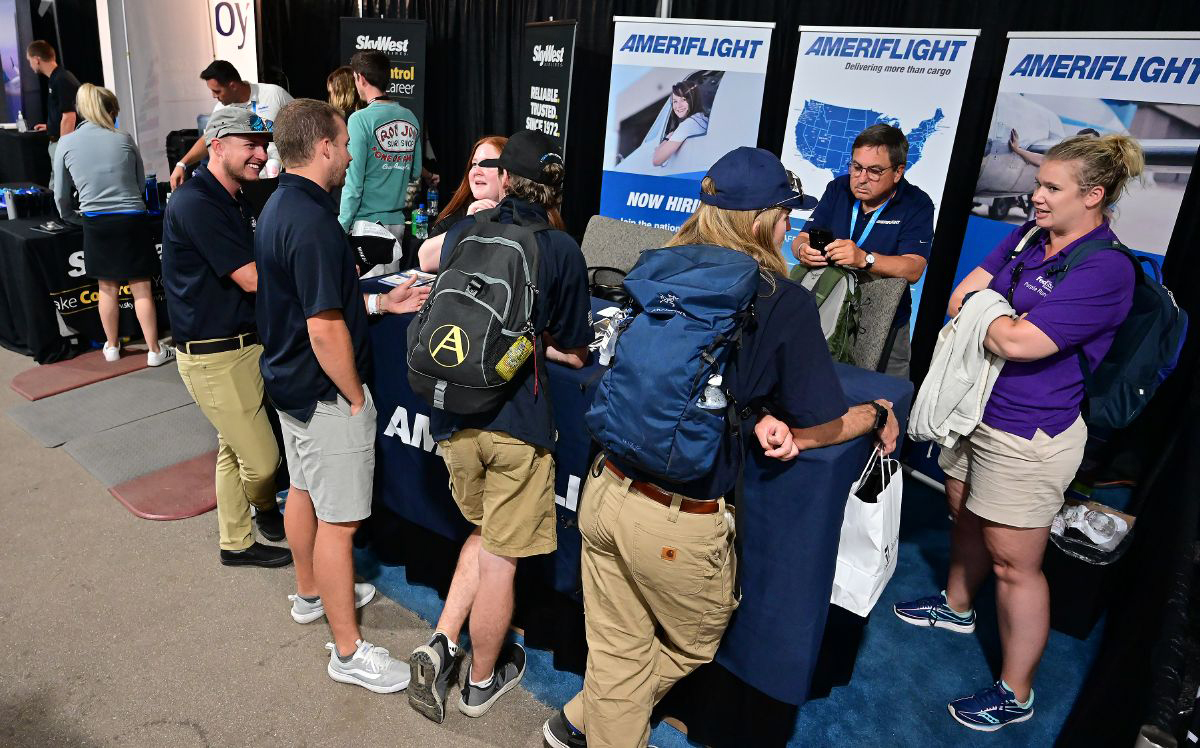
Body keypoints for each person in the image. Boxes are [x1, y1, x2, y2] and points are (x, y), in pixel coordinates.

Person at [542, 147, 900, 748]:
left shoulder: (658, 266)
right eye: (785, 213)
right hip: (679, 523)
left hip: (604, 488)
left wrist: (750, 409)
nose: (791, 226)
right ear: (761, 219)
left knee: (617, 651)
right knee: (692, 642)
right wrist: (874, 415)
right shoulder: (781, 300)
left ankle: (579, 719)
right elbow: (822, 420)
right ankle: (595, 721)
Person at [892, 134, 1143, 732]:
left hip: (1029, 434)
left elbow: (1018, 342)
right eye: (1039, 183)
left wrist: (997, 312)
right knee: (962, 513)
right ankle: (956, 607)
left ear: (1094, 196)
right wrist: (999, 313)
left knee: (1013, 564)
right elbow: (960, 299)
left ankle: (1017, 691)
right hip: (973, 410)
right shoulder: (1032, 235)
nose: (1037, 196)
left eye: (1052, 188)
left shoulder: (1106, 268)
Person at [405, 130, 591, 724]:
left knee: (487, 537)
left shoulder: (467, 231)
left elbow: (433, 275)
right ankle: (481, 682)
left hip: (454, 413)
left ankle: (441, 641)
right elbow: (573, 345)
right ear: (554, 186)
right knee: (504, 556)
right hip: (517, 425)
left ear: (504, 179)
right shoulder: (559, 248)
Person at [255, 98, 429, 691]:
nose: (352, 153)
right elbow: (324, 326)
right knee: (342, 523)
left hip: (289, 384)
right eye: (345, 142)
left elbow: (318, 301)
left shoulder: (282, 206)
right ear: (324, 147)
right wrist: (355, 397)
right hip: (325, 394)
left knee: (303, 490)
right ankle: (348, 651)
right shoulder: (312, 223)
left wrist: (380, 302)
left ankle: (310, 593)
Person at [161, 106, 291, 569]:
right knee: (262, 462)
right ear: (216, 145)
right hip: (214, 355)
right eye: (249, 145)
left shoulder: (232, 195)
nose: (260, 154)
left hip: (245, 344)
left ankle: (235, 543)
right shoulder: (197, 202)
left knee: (232, 450)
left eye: (262, 144)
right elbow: (253, 279)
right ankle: (266, 509)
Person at [791, 124, 935, 378]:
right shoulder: (838, 189)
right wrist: (802, 249)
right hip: (829, 307)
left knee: (884, 399)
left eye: (875, 171)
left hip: (883, 318)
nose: (861, 177)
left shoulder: (916, 204)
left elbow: (914, 268)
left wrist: (864, 259)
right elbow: (801, 237)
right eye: (856, 167)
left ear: (898, 171)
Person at [53, 83, 173, 367]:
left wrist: (73, 218)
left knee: (106, 286)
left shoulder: (66, 143)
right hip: (131, 219)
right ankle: (154, 350)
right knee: (140, 286)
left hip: (95, 221)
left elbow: (60, 194)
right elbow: (141, 181)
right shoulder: (124, 138)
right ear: (110, 110)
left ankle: (112, 346)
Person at [170, 60, 293, 189]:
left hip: (284, 177)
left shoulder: (273, 94)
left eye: (217, 91)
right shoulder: (221, 110)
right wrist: (182, 164)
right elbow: (209, 139)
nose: (213, 96)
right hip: (248, 183)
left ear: (233, 86)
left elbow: (300, 123)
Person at [338, 50, 422, 236]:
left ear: (360, 78)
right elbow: (415, 172)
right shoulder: (410, 117)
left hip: (366, 225)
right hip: (397, 224)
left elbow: (354, 181)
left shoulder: (359, 120)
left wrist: (341, 226)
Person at [25, 40, 79, 189]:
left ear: (37, 60)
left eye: (29, 61)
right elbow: (63, 112)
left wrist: (63, 147)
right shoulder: (56, 79)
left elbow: (70, 116)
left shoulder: (61, 79)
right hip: (58, 141)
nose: (30, 65)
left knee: (60, 189)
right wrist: (51, 125)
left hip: (62, 144)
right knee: (57, 187)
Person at [652, 79, 709, 167]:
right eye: (675, 101)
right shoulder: (703, 118)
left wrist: (667, 138)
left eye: (683, 99)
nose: (678, 106)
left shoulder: (688, 125)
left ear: (693, 99)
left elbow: (656, 160)